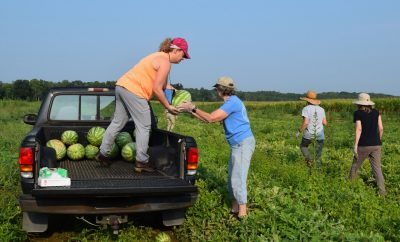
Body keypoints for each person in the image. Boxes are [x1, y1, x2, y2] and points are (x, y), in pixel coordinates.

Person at [95, 37, 190, 172]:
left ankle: (103, 154)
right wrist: (168, 107)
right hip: (135, 91)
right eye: (183, 55)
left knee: (117, 122)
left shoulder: (157, 56)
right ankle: (142, 161)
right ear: (176, 50)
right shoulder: (165, 63)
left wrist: (172, 90)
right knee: (144, 126)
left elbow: (161, 84)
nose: (183, 58)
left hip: (122, 86)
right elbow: (157, 89)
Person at [178, 76, 256, 220]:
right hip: (237, 144)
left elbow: (211, 118)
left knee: (238, 178)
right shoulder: (230, 102)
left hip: (243, 143)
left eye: (217, 88)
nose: (216, 91)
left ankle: (243, 214)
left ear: (221, 89)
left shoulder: (232, 103)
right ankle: (234, 209)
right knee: (231, 178)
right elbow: (208, 119)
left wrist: (193, 107)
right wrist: (190, 111)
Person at [349, 93, 386, 196]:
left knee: (355, 166)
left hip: (363, 145)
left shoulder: (358, 113)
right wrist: (377, 140)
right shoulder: (376, 112)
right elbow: (381, 128)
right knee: (377, 168)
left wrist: (355, 145)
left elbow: (359, 129)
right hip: (376, 145)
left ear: (359, 103)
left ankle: (350, 188)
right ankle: (382, 192)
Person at [296, 90, 327, 168]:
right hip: (320, 134)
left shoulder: (306, 108)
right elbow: (325, 123)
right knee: (318, 154)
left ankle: (309, 160)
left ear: (307, 100)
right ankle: (318, 169)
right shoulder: (321, 109)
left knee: (303, 146)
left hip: (309, 133)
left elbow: (306, 123)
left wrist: (299, 131)